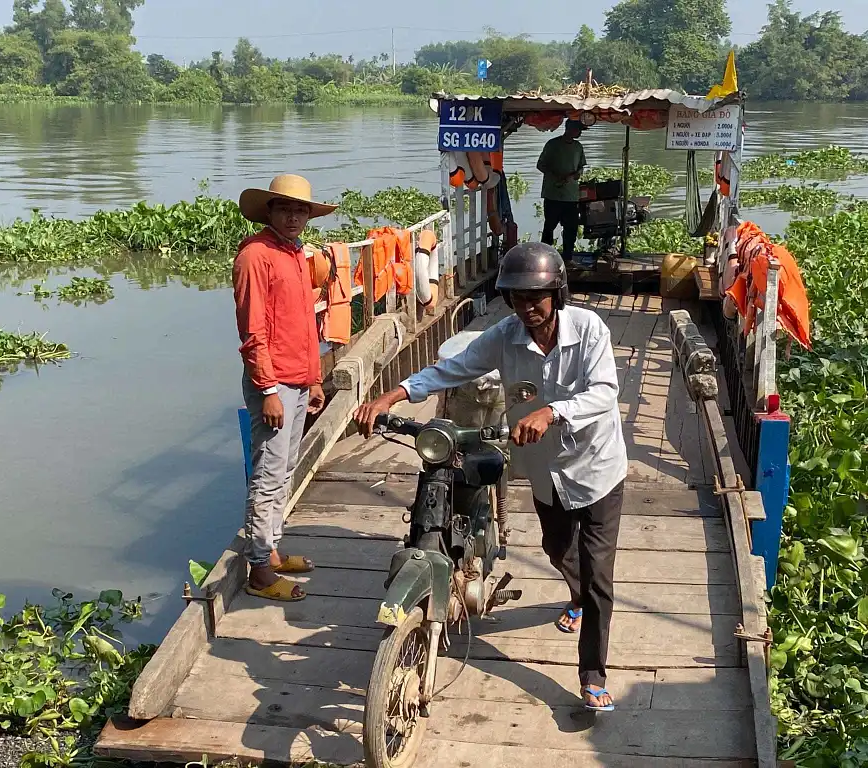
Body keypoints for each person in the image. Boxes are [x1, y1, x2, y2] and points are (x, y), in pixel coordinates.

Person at [354, 242, 628, 712]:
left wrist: (552, 411)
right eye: (517, 299)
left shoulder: (589, 331)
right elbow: (451, 368)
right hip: (545, 472)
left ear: (557, 292)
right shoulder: (504, 336)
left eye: (536, 298)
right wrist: (394, 395)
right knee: (558, 550)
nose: (528, 308)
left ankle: (591, 673)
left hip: (597, 469)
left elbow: (604, 392)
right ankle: (577, 596)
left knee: (599, 573)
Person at [233, 174, 336, 602]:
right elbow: (253, 329)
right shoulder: (255, 255)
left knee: (286, 468)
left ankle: (271, 548)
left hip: (298, 378)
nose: (295, 216)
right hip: (272, 383)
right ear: (270, 211)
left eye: (302, 210)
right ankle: (258, 569)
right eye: (286, 209)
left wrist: (313, 379)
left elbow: (303, 324)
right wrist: (269, 388)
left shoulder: (296, 254)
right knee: (268, 475)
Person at [537, 118, 587, 264]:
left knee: (571, 229)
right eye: (578, 130)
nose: (579, 133)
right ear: (569, 128)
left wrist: (577, 174)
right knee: (549, 227)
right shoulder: (552, 144)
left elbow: (581, 167)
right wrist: (555, 175)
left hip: (571, 196)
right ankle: (544, 257)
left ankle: (568, 258)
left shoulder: (578, 147)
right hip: (553, 194)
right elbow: (540, 165)